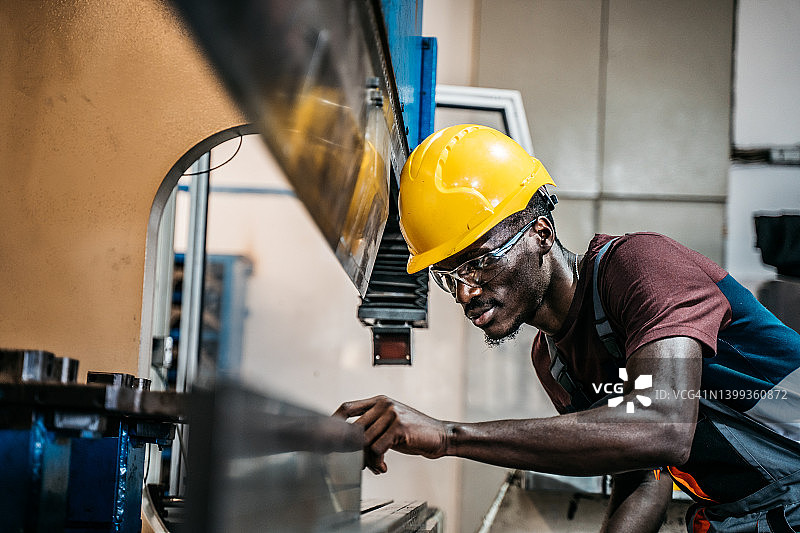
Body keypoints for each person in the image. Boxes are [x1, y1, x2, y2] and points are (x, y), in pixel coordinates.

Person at [335, 124, 800, 533]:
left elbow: (663, 426)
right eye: (449, 275)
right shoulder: (554, 362)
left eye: (479, 262)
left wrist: (448, 435)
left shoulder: (642, 267)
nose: (465, 292)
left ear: (541, 233)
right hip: (748, 514)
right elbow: (643, 474)